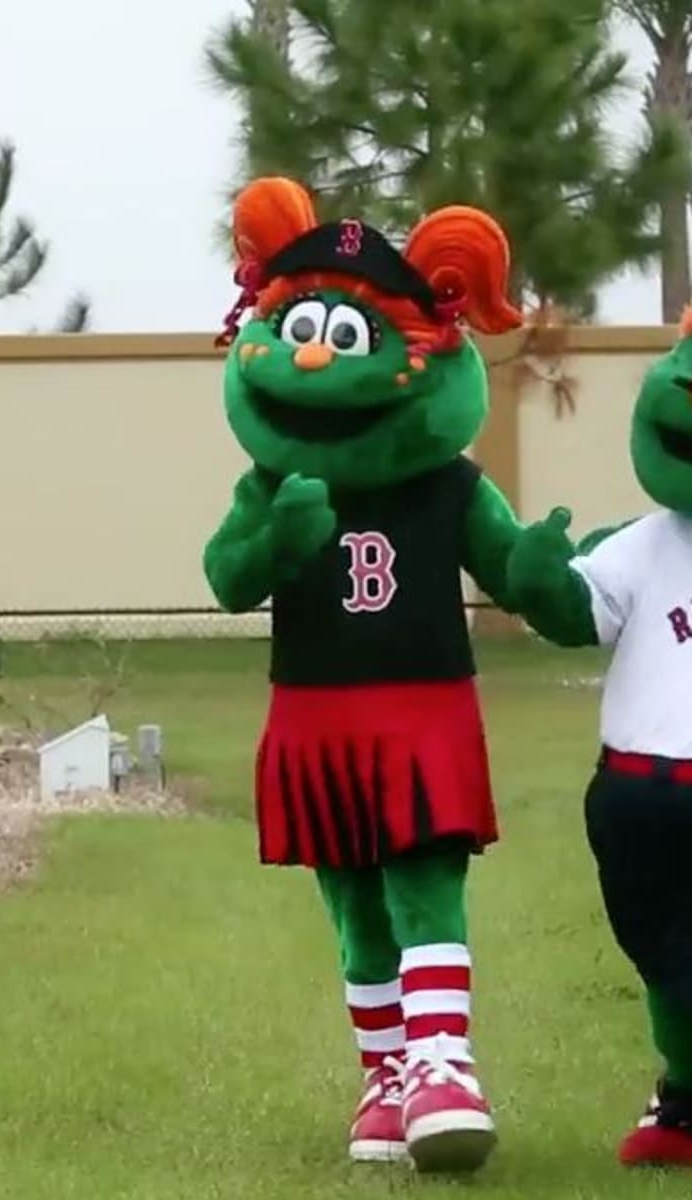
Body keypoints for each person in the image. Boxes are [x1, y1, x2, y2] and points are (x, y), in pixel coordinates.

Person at [203, 176, 528, 1172]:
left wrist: (559, 574)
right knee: (353, 901)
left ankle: (443, 1064)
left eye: (346, 337)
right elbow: (226, 578)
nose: (311, 356)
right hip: (315, 720)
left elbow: (514, 569)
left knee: (424, 883)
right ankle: (386, 1077)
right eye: (299, 329)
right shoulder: (270, 481)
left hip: (423, 712)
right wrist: (273, 539)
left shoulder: (449, 485)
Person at [507, 309, 692, 1168]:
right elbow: (583, 609)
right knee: (661, 955)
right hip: (637, 797)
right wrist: (540, 579)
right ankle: (684, 1096)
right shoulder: (647, 544)